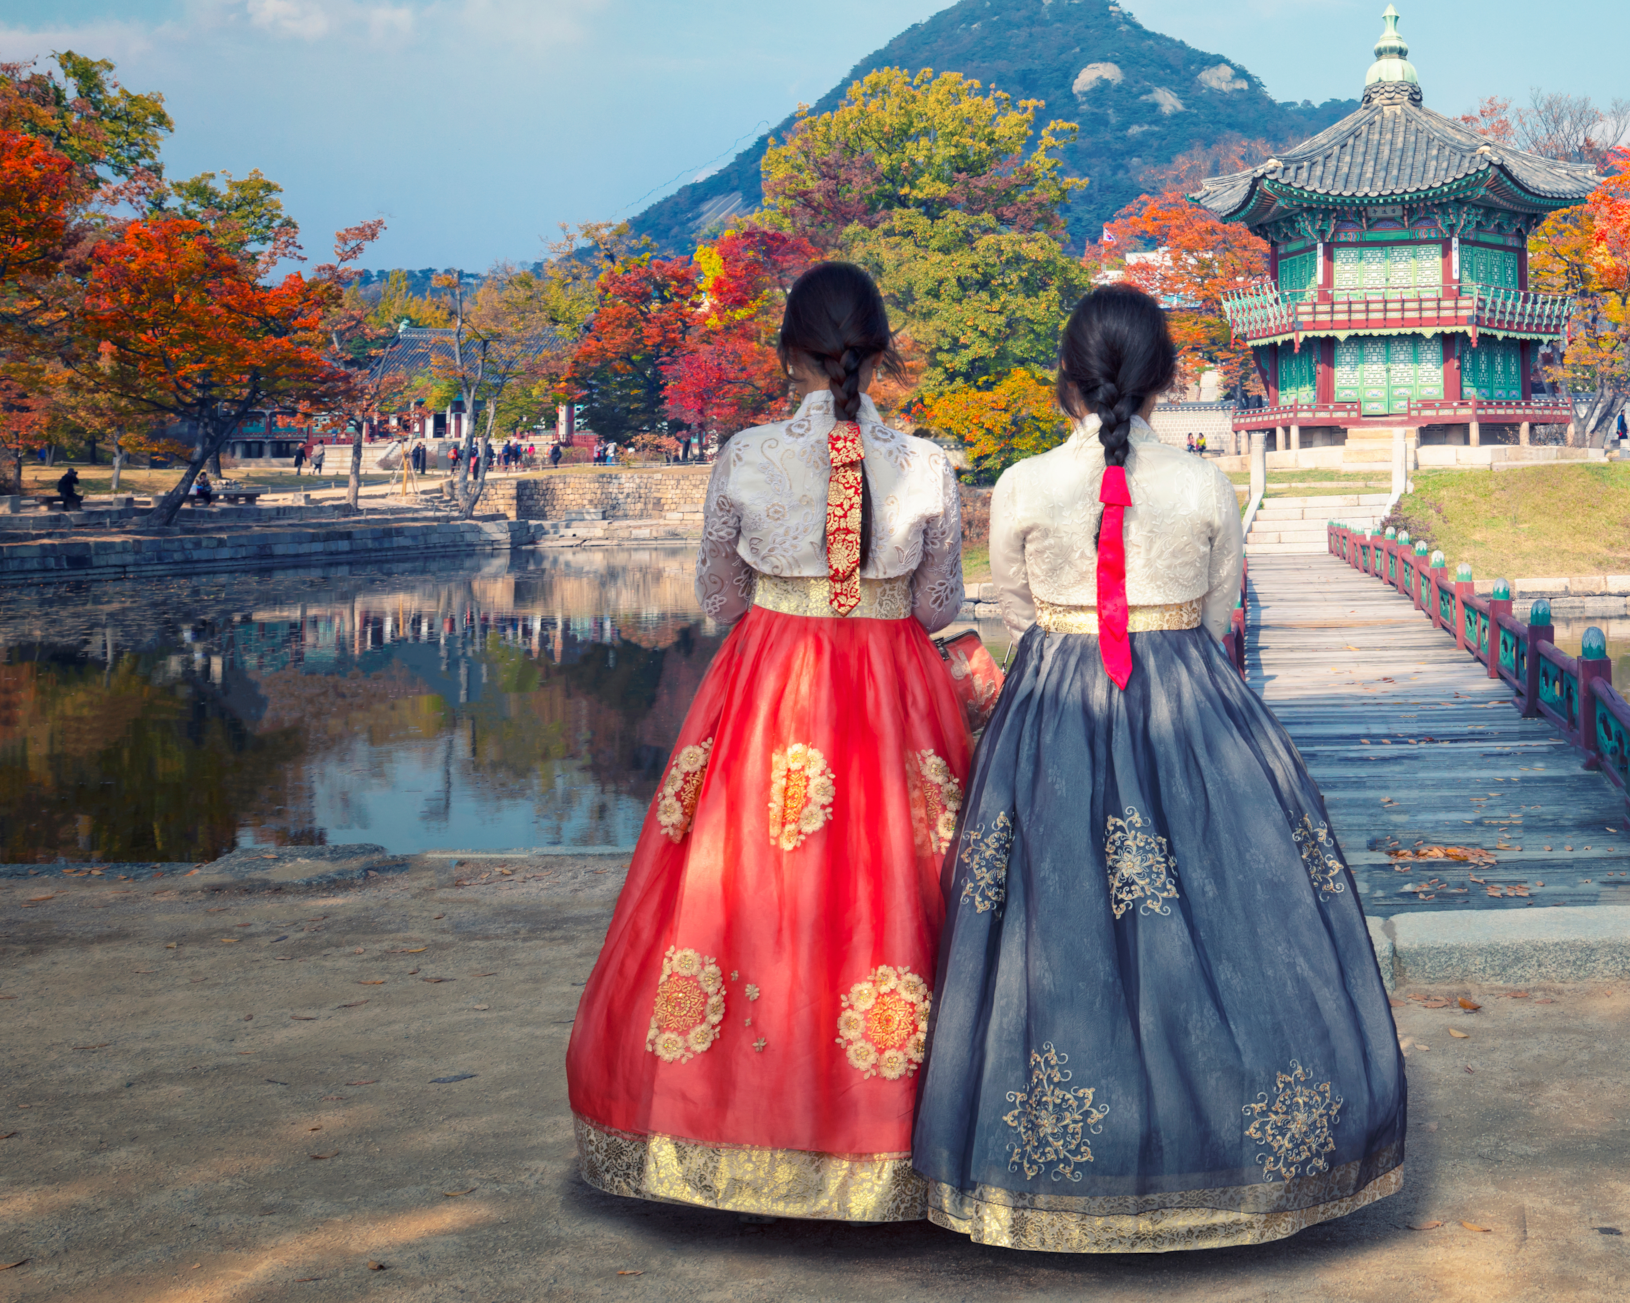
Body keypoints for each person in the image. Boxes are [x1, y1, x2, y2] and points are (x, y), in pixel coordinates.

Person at [915, 283, 1404, 1251]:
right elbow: (1221, 615)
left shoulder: (1017, 486)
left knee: (1047, 932)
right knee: (1235, 918)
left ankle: (1051, 1173)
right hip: (1192, 707)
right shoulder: (1205, 484)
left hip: (1053, 706)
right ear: (1166, 379)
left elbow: (1013, 610)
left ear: (1066, 376)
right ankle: (1231, 1156)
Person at [566, 261, 975, 1222]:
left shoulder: (746, 455)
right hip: (892, 691)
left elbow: (716, 601)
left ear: (786, 351)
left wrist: (792, 601)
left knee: (741, 887)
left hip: (772, 688)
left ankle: (721, 1124)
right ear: (879, 355)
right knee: (898, 887)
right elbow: (939, 604)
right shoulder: (926, 462)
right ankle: (900, 1144)